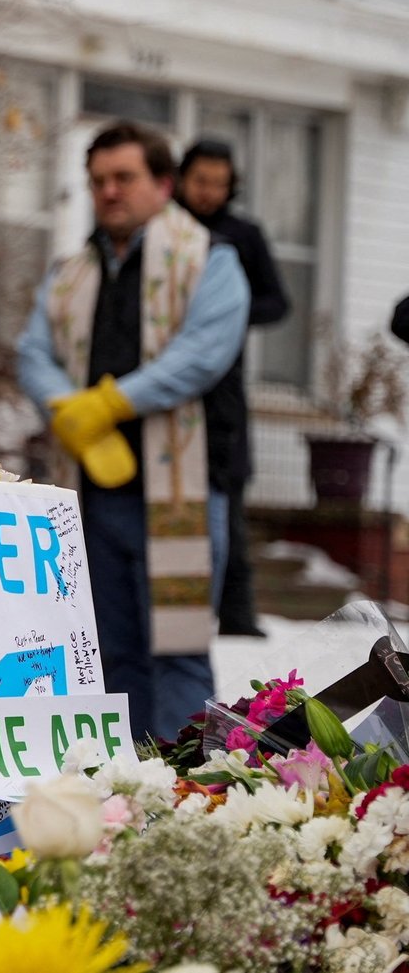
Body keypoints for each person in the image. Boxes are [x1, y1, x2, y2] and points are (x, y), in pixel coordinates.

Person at [17, 121, 251, 740]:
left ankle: (186, 796)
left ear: (163, 183)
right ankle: (123, 794)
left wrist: (111, 404)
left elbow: (203, 354)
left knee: (177, 651)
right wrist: (70, 410)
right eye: (98, 181)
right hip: (93, 494)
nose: (109, 192)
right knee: (104, 654)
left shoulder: (211, 259)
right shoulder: (72, 271)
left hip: (182, 496)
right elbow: (32, 352)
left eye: (124, 177)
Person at [175, 139, 289, 639]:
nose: (209, 192)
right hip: (163, 385)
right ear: (181, 177)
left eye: (219, 183)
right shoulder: (164, 227)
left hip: (223, 389)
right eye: (201, 180)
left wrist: (229, 308)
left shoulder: (244, 235)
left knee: (229, 499)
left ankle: (237, 614)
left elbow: (278, 303)